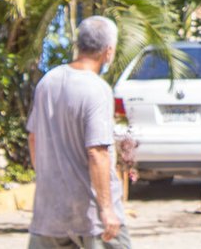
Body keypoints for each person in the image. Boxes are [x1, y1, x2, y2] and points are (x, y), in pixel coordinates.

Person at [27, 16, 127, 249]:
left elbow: (34, 138)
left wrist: (49, 180)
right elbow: (97, 152)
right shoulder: (96, 89)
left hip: (50, 212)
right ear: (108, 51)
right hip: (90, 215)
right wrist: (107, 209)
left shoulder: (47, 82)